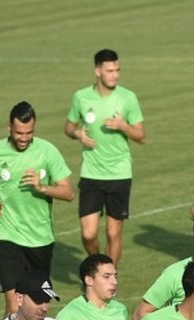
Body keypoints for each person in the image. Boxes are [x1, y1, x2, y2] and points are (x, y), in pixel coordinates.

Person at [0, 101, 74, 317]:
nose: (24, 138)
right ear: (9, 128)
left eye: (29, 133)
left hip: (40, 238)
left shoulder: (48, 152)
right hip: (8, 235)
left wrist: (41, 187)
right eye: (19, 133)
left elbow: (68, 193)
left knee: (37, 306)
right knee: (14, 305)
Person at [64, 48, 146, 262]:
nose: (115, 75)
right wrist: (77, 133)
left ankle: (110, 275)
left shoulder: (127, 98)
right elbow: (69, 126)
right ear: (97, 71)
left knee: (113, 233)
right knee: (88, 234)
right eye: (110, 70)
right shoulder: (81, 97)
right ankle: (99, 265)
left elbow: (141, 136)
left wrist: (122, 126)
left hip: (119, 173)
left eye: (117, 70)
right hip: (91, 173)